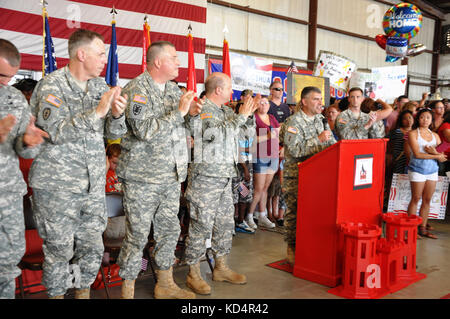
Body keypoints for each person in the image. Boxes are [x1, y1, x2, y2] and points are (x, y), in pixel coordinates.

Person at [29, 29, 127, 299]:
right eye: (99, 53)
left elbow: (112, 132)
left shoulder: (99, 87)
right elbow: (55, 131)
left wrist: (116, 114)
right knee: (59, 251)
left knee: (92, 249)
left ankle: (82, 294)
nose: (104, 60)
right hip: (57, 187)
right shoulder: (52, 85)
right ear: (81, 54)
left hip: (92, 187)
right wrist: (97, 112)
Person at [116, 41, 199, 299]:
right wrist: (179, 113)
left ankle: (165, 283)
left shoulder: (174, 90)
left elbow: (181, 126)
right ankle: (127, 289)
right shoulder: (136, 89)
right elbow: (144, 131)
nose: (178, 62)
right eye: (174, 57)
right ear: (158, 62)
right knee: (138, 234)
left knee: (169, 230)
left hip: (171, 176)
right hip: (143, 178)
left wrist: (192, 114)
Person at [184, 72, 257, 296]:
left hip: (225, 177)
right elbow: (216, 135)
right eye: (229, 88)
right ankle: (193, 273)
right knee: (201, 225)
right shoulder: (202, 110)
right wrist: (240, 117)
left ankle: (221, 267)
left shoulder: (225, 111)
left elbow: (241, 132)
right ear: (218, 90)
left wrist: (249, 113)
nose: (232, 92)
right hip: (205, 177)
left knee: (225, 224)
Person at [0, 39, 48, 299]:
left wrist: (29, 142)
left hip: (7, 196)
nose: (5, 83)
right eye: (0, 76)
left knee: (7, 266)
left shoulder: (14, 98)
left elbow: (23, 148)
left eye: (10, 77)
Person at [279, 86, 336, 265]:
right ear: (304, 102)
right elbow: (294, 150)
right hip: (296, 175)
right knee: (294, 213)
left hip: (318, 175)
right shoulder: (293, 122)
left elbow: (331, 144)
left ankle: (310, 246)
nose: (320, 103)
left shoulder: (321, 120)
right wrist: (318, 140)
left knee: (314, 213)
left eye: (321, 99)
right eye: (316, 99)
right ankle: (292, 247)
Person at [405, 108, 446, 239]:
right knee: (416, 198)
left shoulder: (435, 135)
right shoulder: (413, 133)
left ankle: (422, 228)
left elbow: (442, 155)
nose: (425, 120)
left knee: (427, 200)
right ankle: (411, 229)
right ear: (418, 119)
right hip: (417, 169)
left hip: (432, 170)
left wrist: (435, 154)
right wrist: (436, 155)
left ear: (431, 120)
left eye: (428, 118)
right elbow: (417, 154)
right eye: (422, 117)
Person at [246, 96, 280, 229]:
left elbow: (277, 135)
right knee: (258, 189)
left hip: (273, 155)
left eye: (266, 102)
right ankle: (249, 215)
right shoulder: (253, 118)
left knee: (265, 188)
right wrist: (267, 136)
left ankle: (262, 214)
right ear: (257, 105)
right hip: (260, 155)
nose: (264, 104)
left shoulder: (272, 118)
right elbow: (251, 140)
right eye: (261, 102)